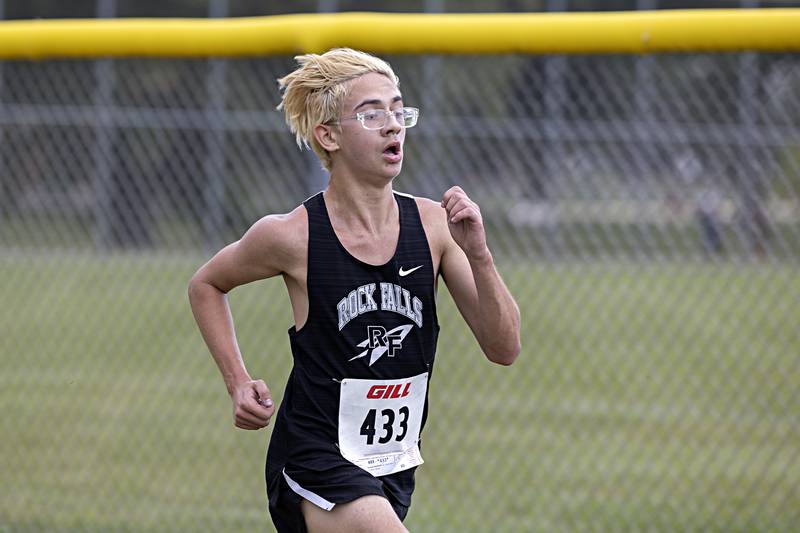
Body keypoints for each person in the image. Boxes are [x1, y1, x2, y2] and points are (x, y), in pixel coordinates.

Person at [188, 48, 521, 533]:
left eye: (397, 109)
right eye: (371, 114)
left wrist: (480, 255)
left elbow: (504, 347)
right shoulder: (293, 235)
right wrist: (237, 381)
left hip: (392, 467)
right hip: (315, 460)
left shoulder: (434, 227)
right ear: (329, 135)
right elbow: (207, 283)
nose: (392, 125)